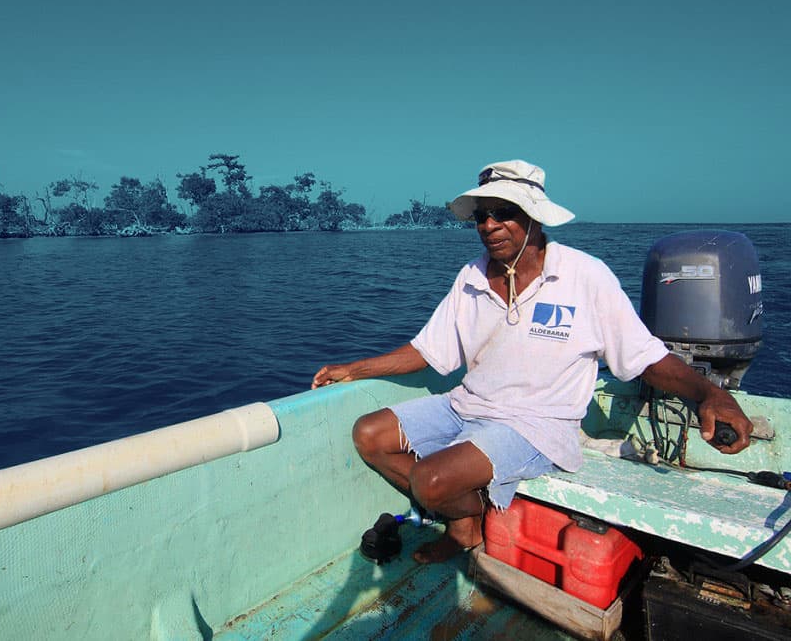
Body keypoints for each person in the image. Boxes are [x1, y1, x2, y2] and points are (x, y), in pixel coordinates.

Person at [312, 159, 754, 564]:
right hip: (470, 403)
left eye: (503, 211)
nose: (489, 225)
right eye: (481, 215)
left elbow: (645, 358)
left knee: (429, 481)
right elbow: (429, 351)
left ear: (534, 216)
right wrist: (354, 369)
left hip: (537, 423)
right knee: (368, 435)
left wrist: (709, 393)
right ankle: (465, 516)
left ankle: (463, 523)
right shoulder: (470, 277)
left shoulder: (586, 276)